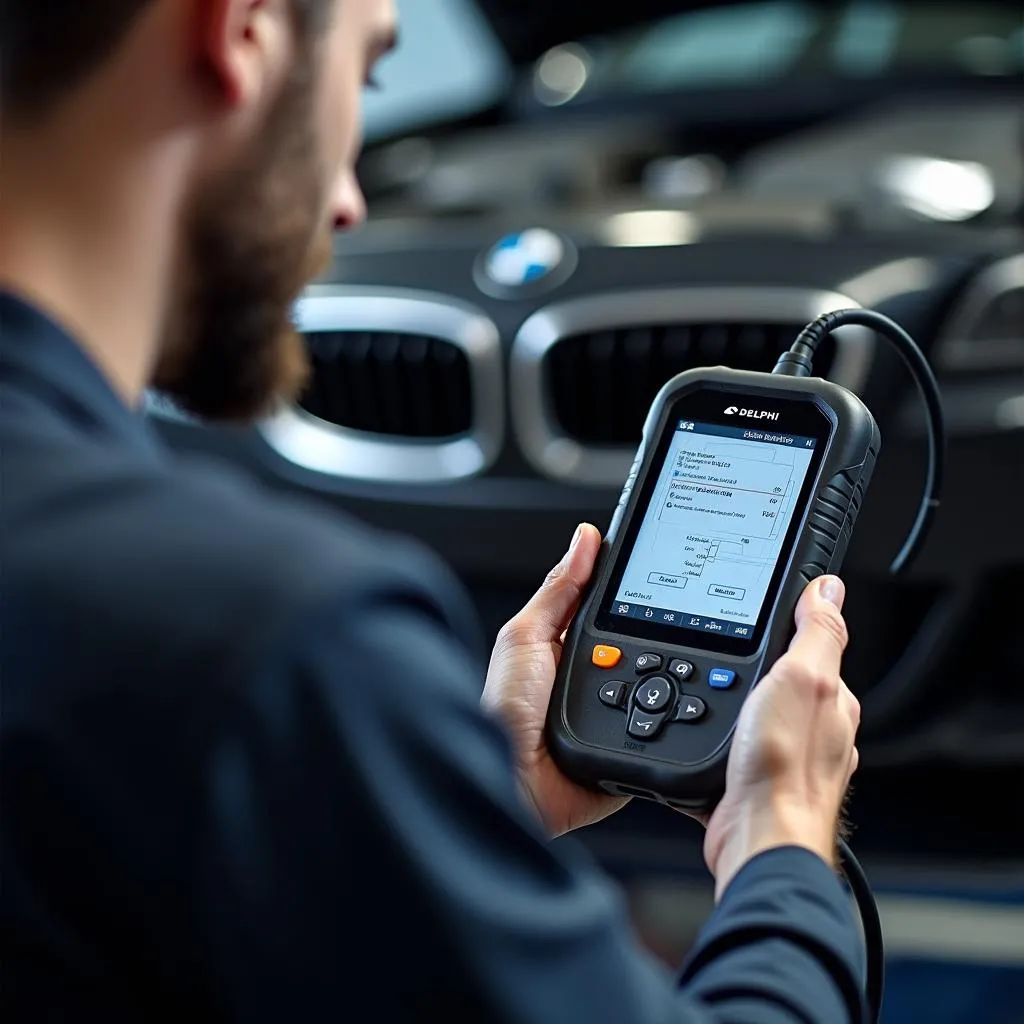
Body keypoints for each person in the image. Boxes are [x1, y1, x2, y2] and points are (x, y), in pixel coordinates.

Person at [0, 1, 865, 1020]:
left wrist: (434, 799)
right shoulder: (275, 644)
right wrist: (782, 840)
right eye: (364, 75)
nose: (351, 200)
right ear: (238, 31)